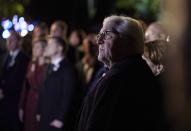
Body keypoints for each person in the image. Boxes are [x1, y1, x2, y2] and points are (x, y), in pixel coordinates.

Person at [77, 15, 168, 131]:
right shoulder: (123, 73)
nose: (98, 41)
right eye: (99, 35)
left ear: (129, 41)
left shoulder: (123, 78)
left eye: (106, 34)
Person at [37, 37, 79, 131]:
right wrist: (39, 111)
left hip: (55, 119)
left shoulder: (68, 69)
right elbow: (43, 90)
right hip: (44, 115)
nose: (46, 47)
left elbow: (68, 96)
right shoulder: (48, 66)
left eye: (50, 44)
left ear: (60, 48)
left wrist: (60, 118)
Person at [0, 31, 30, 131]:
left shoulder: (25, 59)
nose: (9, 42)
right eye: (8, 40)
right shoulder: (4, 56)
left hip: (16, 101)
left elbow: (21, 81)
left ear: (19, 42)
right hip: (3, 100)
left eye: (12, 40)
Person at [19, 40, 47, 131]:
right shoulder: (32, 63)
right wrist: (21, 106)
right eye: (34, 47)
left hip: (41, 101)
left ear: (44, 49)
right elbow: (25, 85)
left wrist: (42, 64)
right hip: (29, 100)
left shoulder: (48, 66)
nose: (34, 49)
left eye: (37, 47)